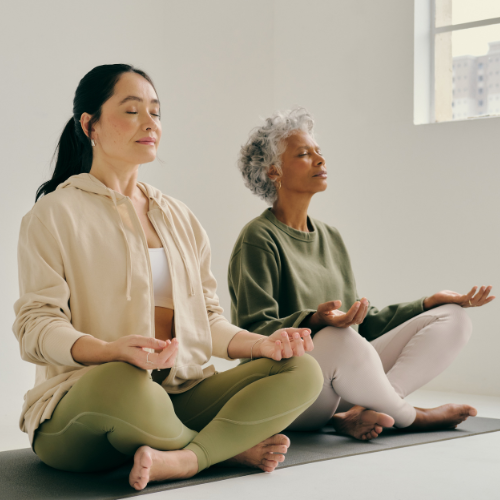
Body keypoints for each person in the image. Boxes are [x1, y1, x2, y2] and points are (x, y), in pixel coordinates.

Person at [13, 67, 324, 491]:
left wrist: (262, 345)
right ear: (90, 125)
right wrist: (108, 351)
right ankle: (220, 451)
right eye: (132, 110)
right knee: (125, 380)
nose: (149, 123)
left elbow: (208, 320)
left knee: (301, 369)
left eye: (156, 113)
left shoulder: (179, 217)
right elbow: (36, 327)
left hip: (178, 396)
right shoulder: (52, 215)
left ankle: (183, 458)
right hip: (84, 409)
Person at [229, 107, 495, 441]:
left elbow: (361, 323)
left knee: (453, 318)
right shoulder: (258, 238)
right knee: (339, 338)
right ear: (274, 173)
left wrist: (428, 302)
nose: (320, 160)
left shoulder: (331, 237)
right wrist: (315, 321)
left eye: (318, 152)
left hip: (342, 378)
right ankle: (411, 417)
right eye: (304, 154)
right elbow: (253, 332)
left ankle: (371, 410)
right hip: (289, 388)